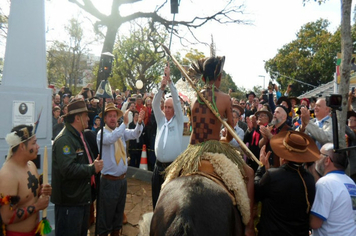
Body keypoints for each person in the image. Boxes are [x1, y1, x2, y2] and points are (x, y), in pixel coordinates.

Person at [164, 56, 255, 235]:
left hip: (192, 150)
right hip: (214, 148)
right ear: (219, 77)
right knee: (250, 174)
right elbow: (229, 134)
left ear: (203, 77)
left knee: (168, 182)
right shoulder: (225, 98)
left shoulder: (194, 98)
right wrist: (224, 141)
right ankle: (249, 226)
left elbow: (193, 130)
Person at [51, 100, 103, 236]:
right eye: (86, 115)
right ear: (77, 118)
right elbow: (68, 169)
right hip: (70, 204)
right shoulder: (64, 140)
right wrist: (92, 168)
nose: (88, 118)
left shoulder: (78, 135)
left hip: (80, 200)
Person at [255, 130, 319, 236]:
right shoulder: (309, 179)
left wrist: (261, 167)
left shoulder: (273, 175)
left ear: (283, 155)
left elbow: (257, 191)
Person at [96, 102, 144, 236]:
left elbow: (135, 134)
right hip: (109, 181)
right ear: (105, 119)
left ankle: (116, 232)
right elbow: (111, 138)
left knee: (118, 214)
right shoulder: (101, 134)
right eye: (109, 116)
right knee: (106, 216)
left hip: (122, 180)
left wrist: (139, 123)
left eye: (114, 116)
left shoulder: (120, 132)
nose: (112, 118)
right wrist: (123, 124)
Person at [0, 125, 52, 236]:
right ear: (22, 146)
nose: (38, 146)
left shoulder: (31, 165)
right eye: (34, 143)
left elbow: (31, 195)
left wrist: (42, 191)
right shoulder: (8, 175)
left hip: (36, 230)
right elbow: (7, 217)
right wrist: (37, 206)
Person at [151, 64, 184, 209]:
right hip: (157, 168)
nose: (167, 109)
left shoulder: (179, 121)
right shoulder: (161, 119)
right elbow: (154, 103)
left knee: (170, 204)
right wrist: (161, 88)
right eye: (166, 107)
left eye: (170, 107)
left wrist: (170, 82)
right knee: (155, 200)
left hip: (172, 169)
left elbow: (177, 101)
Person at [310, 143, 356, 235]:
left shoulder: (325, 183)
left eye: (320, 154)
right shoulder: (350, 182)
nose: (316, 158)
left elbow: (315, 223)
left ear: (327, 160)